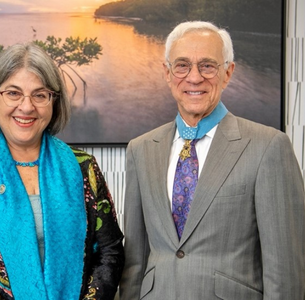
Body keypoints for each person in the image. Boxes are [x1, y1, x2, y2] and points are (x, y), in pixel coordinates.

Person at [119, 20, 305, 300]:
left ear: (228, 73)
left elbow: (285, 272)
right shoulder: (140, 149)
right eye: (182, 65)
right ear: (167, 73)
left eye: (207, 65)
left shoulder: (268, 147)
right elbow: (135, 261)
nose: (194, 78)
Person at [0, 42, 124, 300]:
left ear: (53, 103)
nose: (27, 106)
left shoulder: (83, 167)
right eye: (13, 93)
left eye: (40, 95)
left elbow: (110, 251)